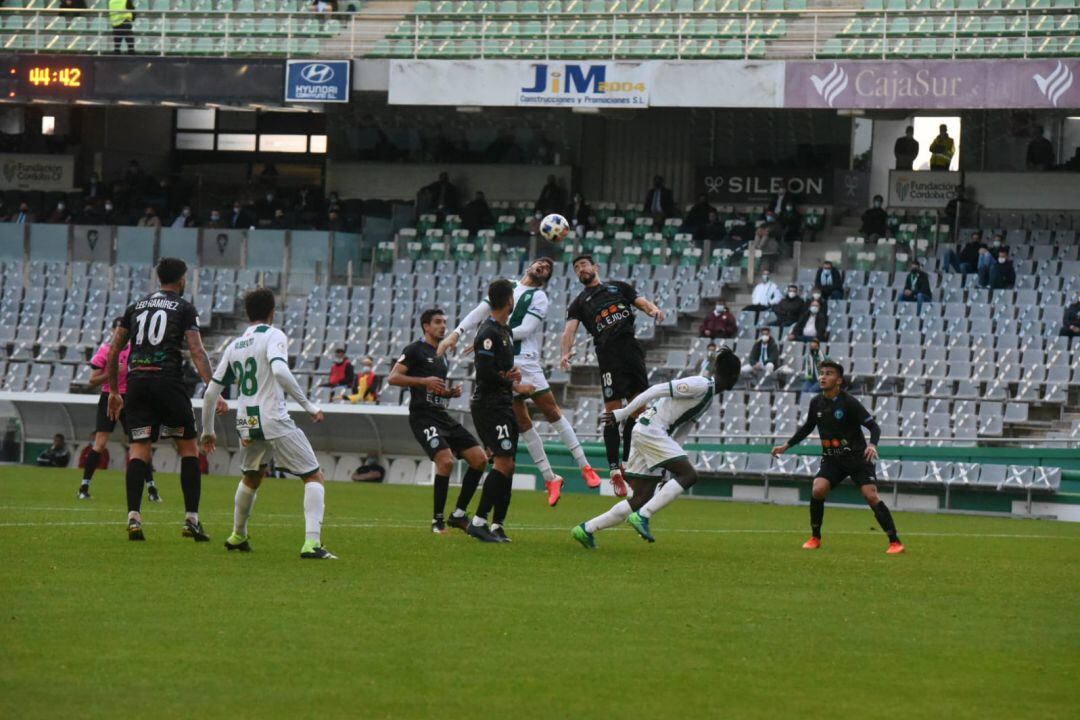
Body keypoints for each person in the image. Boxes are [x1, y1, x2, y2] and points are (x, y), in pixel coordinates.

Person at [441, 259, 599, 505]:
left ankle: (585, 466)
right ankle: (550, 478)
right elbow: (479, 312)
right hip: (505, 362)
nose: (542, 267)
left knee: (551, 410)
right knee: (522, 422)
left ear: (546, 277)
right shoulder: (507, 287)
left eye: (547, 268)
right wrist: (457, 333)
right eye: (540, 264)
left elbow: (526, 329)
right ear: (529, 266)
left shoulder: (539, 297)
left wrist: (492, 334)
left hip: (526, 360)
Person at [200, 288, 337, 559]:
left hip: (246, 419)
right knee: (313, 475)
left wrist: (207, 431)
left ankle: (238, 535)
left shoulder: (234, 345)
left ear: (248, 313)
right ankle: (312, 544)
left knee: (251, 476)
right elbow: (279, 370)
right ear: (272, 312)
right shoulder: (274, 335)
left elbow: (210, 393)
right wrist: (308, 405)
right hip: (273, 416)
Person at [572, 350, 742, 549]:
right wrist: (624, 413)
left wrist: (669, 470)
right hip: (651, 430)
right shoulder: (701, 384)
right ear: (733, 376)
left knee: (641, 498)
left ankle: (586, 529)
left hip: (650, 432)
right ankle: (643, 516)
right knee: (689, 475)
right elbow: (658, 389)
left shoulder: (709, 397)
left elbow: (683, 430)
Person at [106, 257, 222, 542]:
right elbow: (196, 350)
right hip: (168, 383)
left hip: (137, 385)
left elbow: (113, 351)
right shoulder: (183, 307)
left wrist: (113, 392)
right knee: (187, 449)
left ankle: (134, 517)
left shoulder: (135, 307)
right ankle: (191, 519)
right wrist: (213, 389)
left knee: (139, 450)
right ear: (181, 279)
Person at [772, 361, 904, 554]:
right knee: (818, 489)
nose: (823, 377)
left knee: (871, 496)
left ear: (839, 380)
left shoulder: (849, 402)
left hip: (857, 457)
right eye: (822, 373)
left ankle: (895, 542)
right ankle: (815, 537)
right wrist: (786, 446)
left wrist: (872, 445)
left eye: (829, 373)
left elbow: (874, 427)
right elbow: (808, 427)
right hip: (833, 458)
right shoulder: (816, 402)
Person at [561, 255, 665, 497]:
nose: (580, 269)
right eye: (576, 268)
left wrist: (653, 309)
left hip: (631, 351)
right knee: (612, 412)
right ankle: (614, 471)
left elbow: (642, 303)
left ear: (596, 267)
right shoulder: (578, 303)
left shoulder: (619, 287)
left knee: (639, 410)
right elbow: (569, 331)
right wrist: (565, 353)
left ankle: (627, 464)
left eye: (583, 265)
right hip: (608, 357)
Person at [389, 308, 490, 533]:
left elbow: (434, 388)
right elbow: (393, 378)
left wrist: (448, 393)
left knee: (480, 460)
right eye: (437, 322)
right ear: (426, 326)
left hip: (441, 414)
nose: (443, 326)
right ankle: (437, 520)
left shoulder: (442, 353)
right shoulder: (415, 349)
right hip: (423, 417)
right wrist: (423, 381)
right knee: (446, 462)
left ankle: (459, 514)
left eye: (445, 322)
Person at [467, 280, 535, 543]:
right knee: (503, 462)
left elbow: (496, 370)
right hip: (489, 405)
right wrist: (516, 384)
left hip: (503, 403)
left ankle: (497, 525)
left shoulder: (505, 331)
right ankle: (478, 522)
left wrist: (510, 375)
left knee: (509, 464)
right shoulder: (488, 332)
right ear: (510, 300)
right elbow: (484, 372)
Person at [77, 318, 159, 502]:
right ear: (113, 331)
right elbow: (92, 381)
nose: (122, 334)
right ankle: (84, 486)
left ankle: (152, 489)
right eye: (119, 330)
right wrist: (113, 372)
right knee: (100, 442)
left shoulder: (135, 351)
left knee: (140, 442)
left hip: (131, 399)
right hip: (109, 397)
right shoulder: (105, 351)